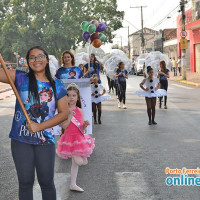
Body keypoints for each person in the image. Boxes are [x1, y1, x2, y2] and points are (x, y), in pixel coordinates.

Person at [0, 46, 69, 200]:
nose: (36, 60)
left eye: (40, 56)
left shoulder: (57, 84)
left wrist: (40, 126)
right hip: (20, 140)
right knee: (25, 183)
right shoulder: (20, 78)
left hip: (45, 140)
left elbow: (64, 113)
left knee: (46, 182)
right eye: (32, 57)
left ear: (46, 59)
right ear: (27, 61)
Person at [56, 83, 95, 192]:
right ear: (65, 97)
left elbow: (81, 128)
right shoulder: (63, 110)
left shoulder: (80, 110)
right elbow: (63, 126)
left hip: (79, 139)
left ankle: (73, 184)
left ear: (77, 97)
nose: (71, 98)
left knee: (75, 164)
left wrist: (85, 125)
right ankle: (84, 158)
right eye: (68, 95)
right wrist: (69, 116)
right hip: (68, 139)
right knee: (79, 162)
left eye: (74, 95)